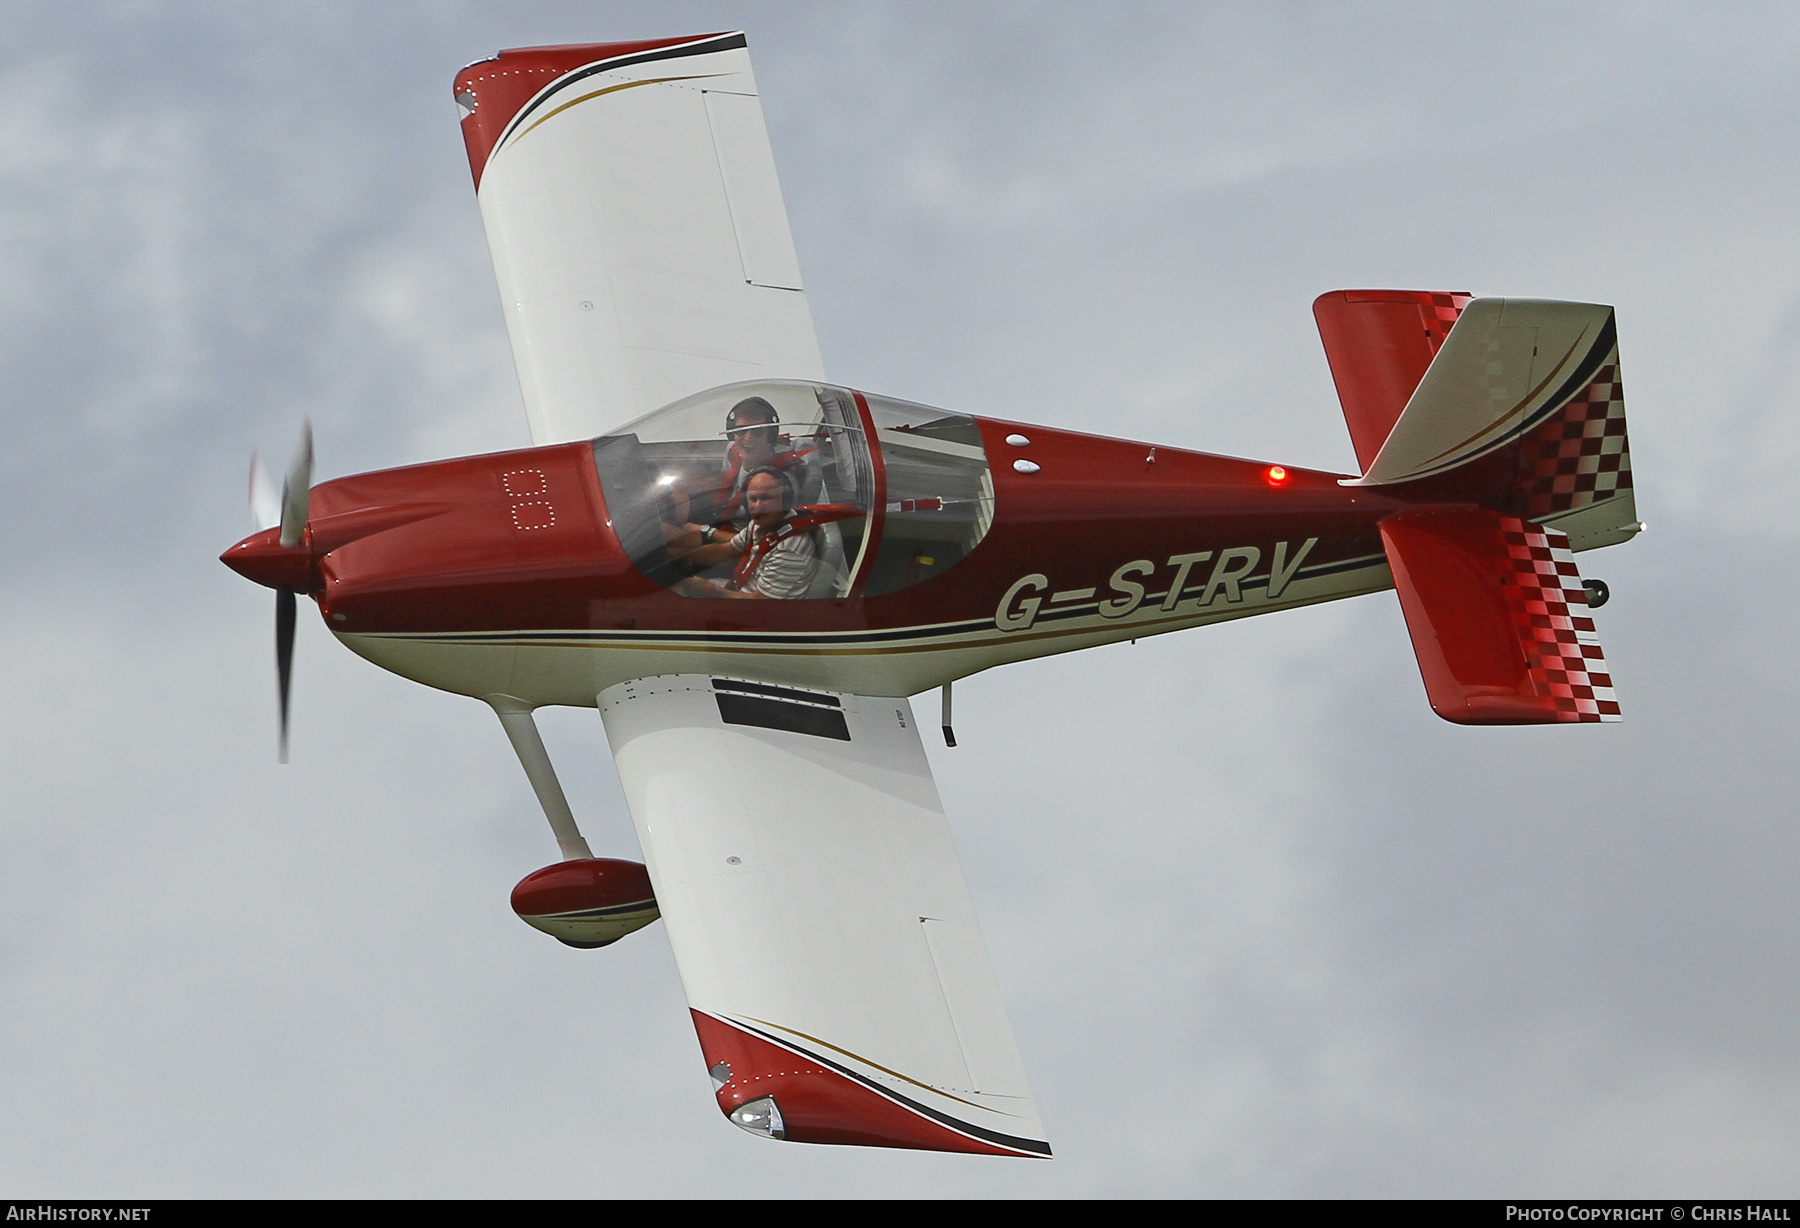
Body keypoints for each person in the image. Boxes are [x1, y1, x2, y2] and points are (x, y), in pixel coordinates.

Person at [674, 468, 819, 600]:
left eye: (766, 498)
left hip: (757, 614)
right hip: (740, 592)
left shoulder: (788, 548)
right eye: (753, 499)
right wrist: (674, 557)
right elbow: (725, 550)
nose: (758, 506)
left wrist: (709, 590)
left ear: (785, 500)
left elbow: (762, 604)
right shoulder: (760, 524)